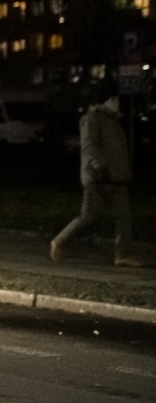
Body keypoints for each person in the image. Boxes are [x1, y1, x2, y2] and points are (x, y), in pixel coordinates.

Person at [51, 81, 141, 266]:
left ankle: (123, 254)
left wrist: (124, 172)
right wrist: (100, 168)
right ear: (103, 100)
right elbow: (89, 147)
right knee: (89, 216)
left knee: (124, 216)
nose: (116, 102)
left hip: (116, 178)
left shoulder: (112, 121)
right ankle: (59, 241)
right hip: (98, 178)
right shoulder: (92, 119)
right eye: (112, 98)